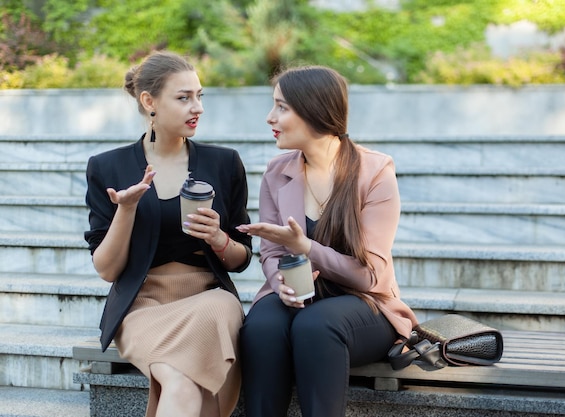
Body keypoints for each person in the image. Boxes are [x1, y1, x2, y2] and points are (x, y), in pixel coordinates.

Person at [236, 65, 418, 417]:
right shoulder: (278, 171)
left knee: (315, 325)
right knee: (261, 327)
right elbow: (272, 251)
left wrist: (306, 247)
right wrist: (281, 285)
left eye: (281, 107)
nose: (269, 117)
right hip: (300, 294)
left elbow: (372, 275)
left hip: (364, 303)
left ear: (314, 110)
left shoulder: (374, 171)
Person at [84, 50, 252, 417]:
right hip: (142, 305)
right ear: (149, 102)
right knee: (182, 383)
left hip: (210, 298)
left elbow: (241, 258)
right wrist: (126, 209)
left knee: (192, 362)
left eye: (199, 95)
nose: (198, 107)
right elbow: (108, 270)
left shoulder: (224, 163)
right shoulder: (107, 167)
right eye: (184, 97)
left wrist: (219, 239)